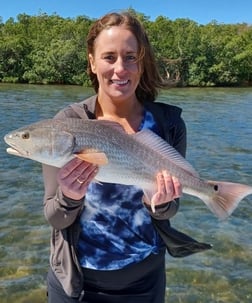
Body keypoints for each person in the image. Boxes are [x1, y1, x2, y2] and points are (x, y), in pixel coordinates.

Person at [43, 11, 191, 303]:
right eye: (109, 57)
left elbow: (170, 209)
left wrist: (157, 203)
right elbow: (54, 217)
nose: (120, 69)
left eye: (130, 57)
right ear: (92, 62)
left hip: (145, 283)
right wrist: (70, 196)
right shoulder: (67, 125)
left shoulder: (169, 124)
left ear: (141, 62)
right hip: (76, 285)